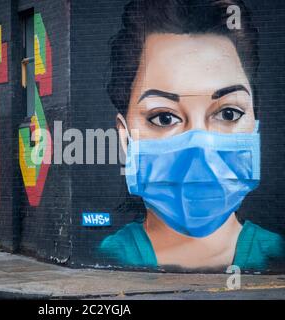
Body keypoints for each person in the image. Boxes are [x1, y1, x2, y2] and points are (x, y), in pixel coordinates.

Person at [100, 0, 285, 271]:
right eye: (164, 117)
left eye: (229, 113)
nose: (201, 147)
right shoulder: (110, 257)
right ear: (126, 140)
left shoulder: (276, 251)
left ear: (255, 124)